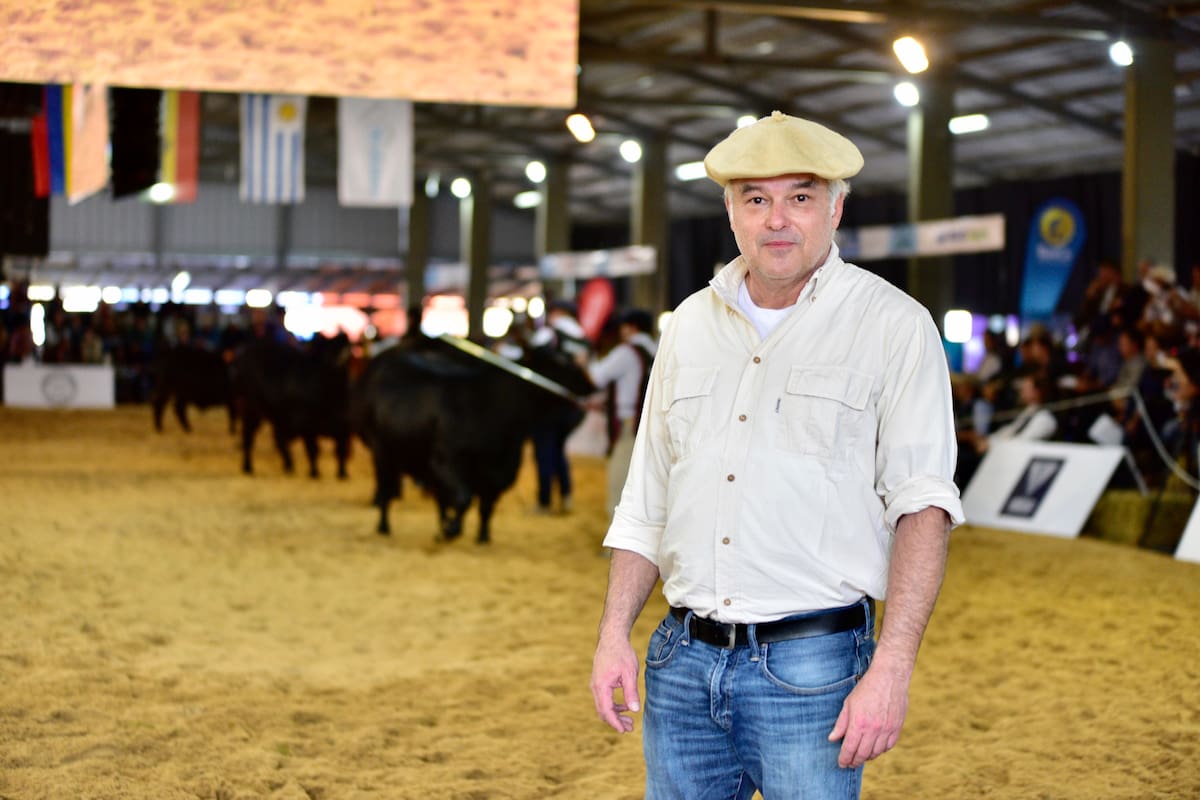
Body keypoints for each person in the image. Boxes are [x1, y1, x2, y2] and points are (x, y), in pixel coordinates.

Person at [589, 111, 963, 799]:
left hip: (815, 669)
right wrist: (614, 632)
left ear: (836, 207)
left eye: (800, 196)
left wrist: (893, 666)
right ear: (731, 212)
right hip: (681, 661)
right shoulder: (689, 326)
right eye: (756, 199)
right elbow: (647, 499)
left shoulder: (895, 327)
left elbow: (924, 506)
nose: (777, 220)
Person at [586, 308, 658, 517]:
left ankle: (617, 545)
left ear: (631, 327)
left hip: (628, 426)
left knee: (620, 482)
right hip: (651, 424)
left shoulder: (626, 352)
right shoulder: (656, 349)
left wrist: (583, 362)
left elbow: (596, 376)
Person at [528, 299, 591, 513]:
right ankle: (566, 497)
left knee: (544, 450)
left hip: (546, 404)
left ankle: (544, 501)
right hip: (572, 406)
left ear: (559, 312)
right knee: (558, 449)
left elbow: (531, 355)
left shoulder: (550, 334)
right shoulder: (584, 339)